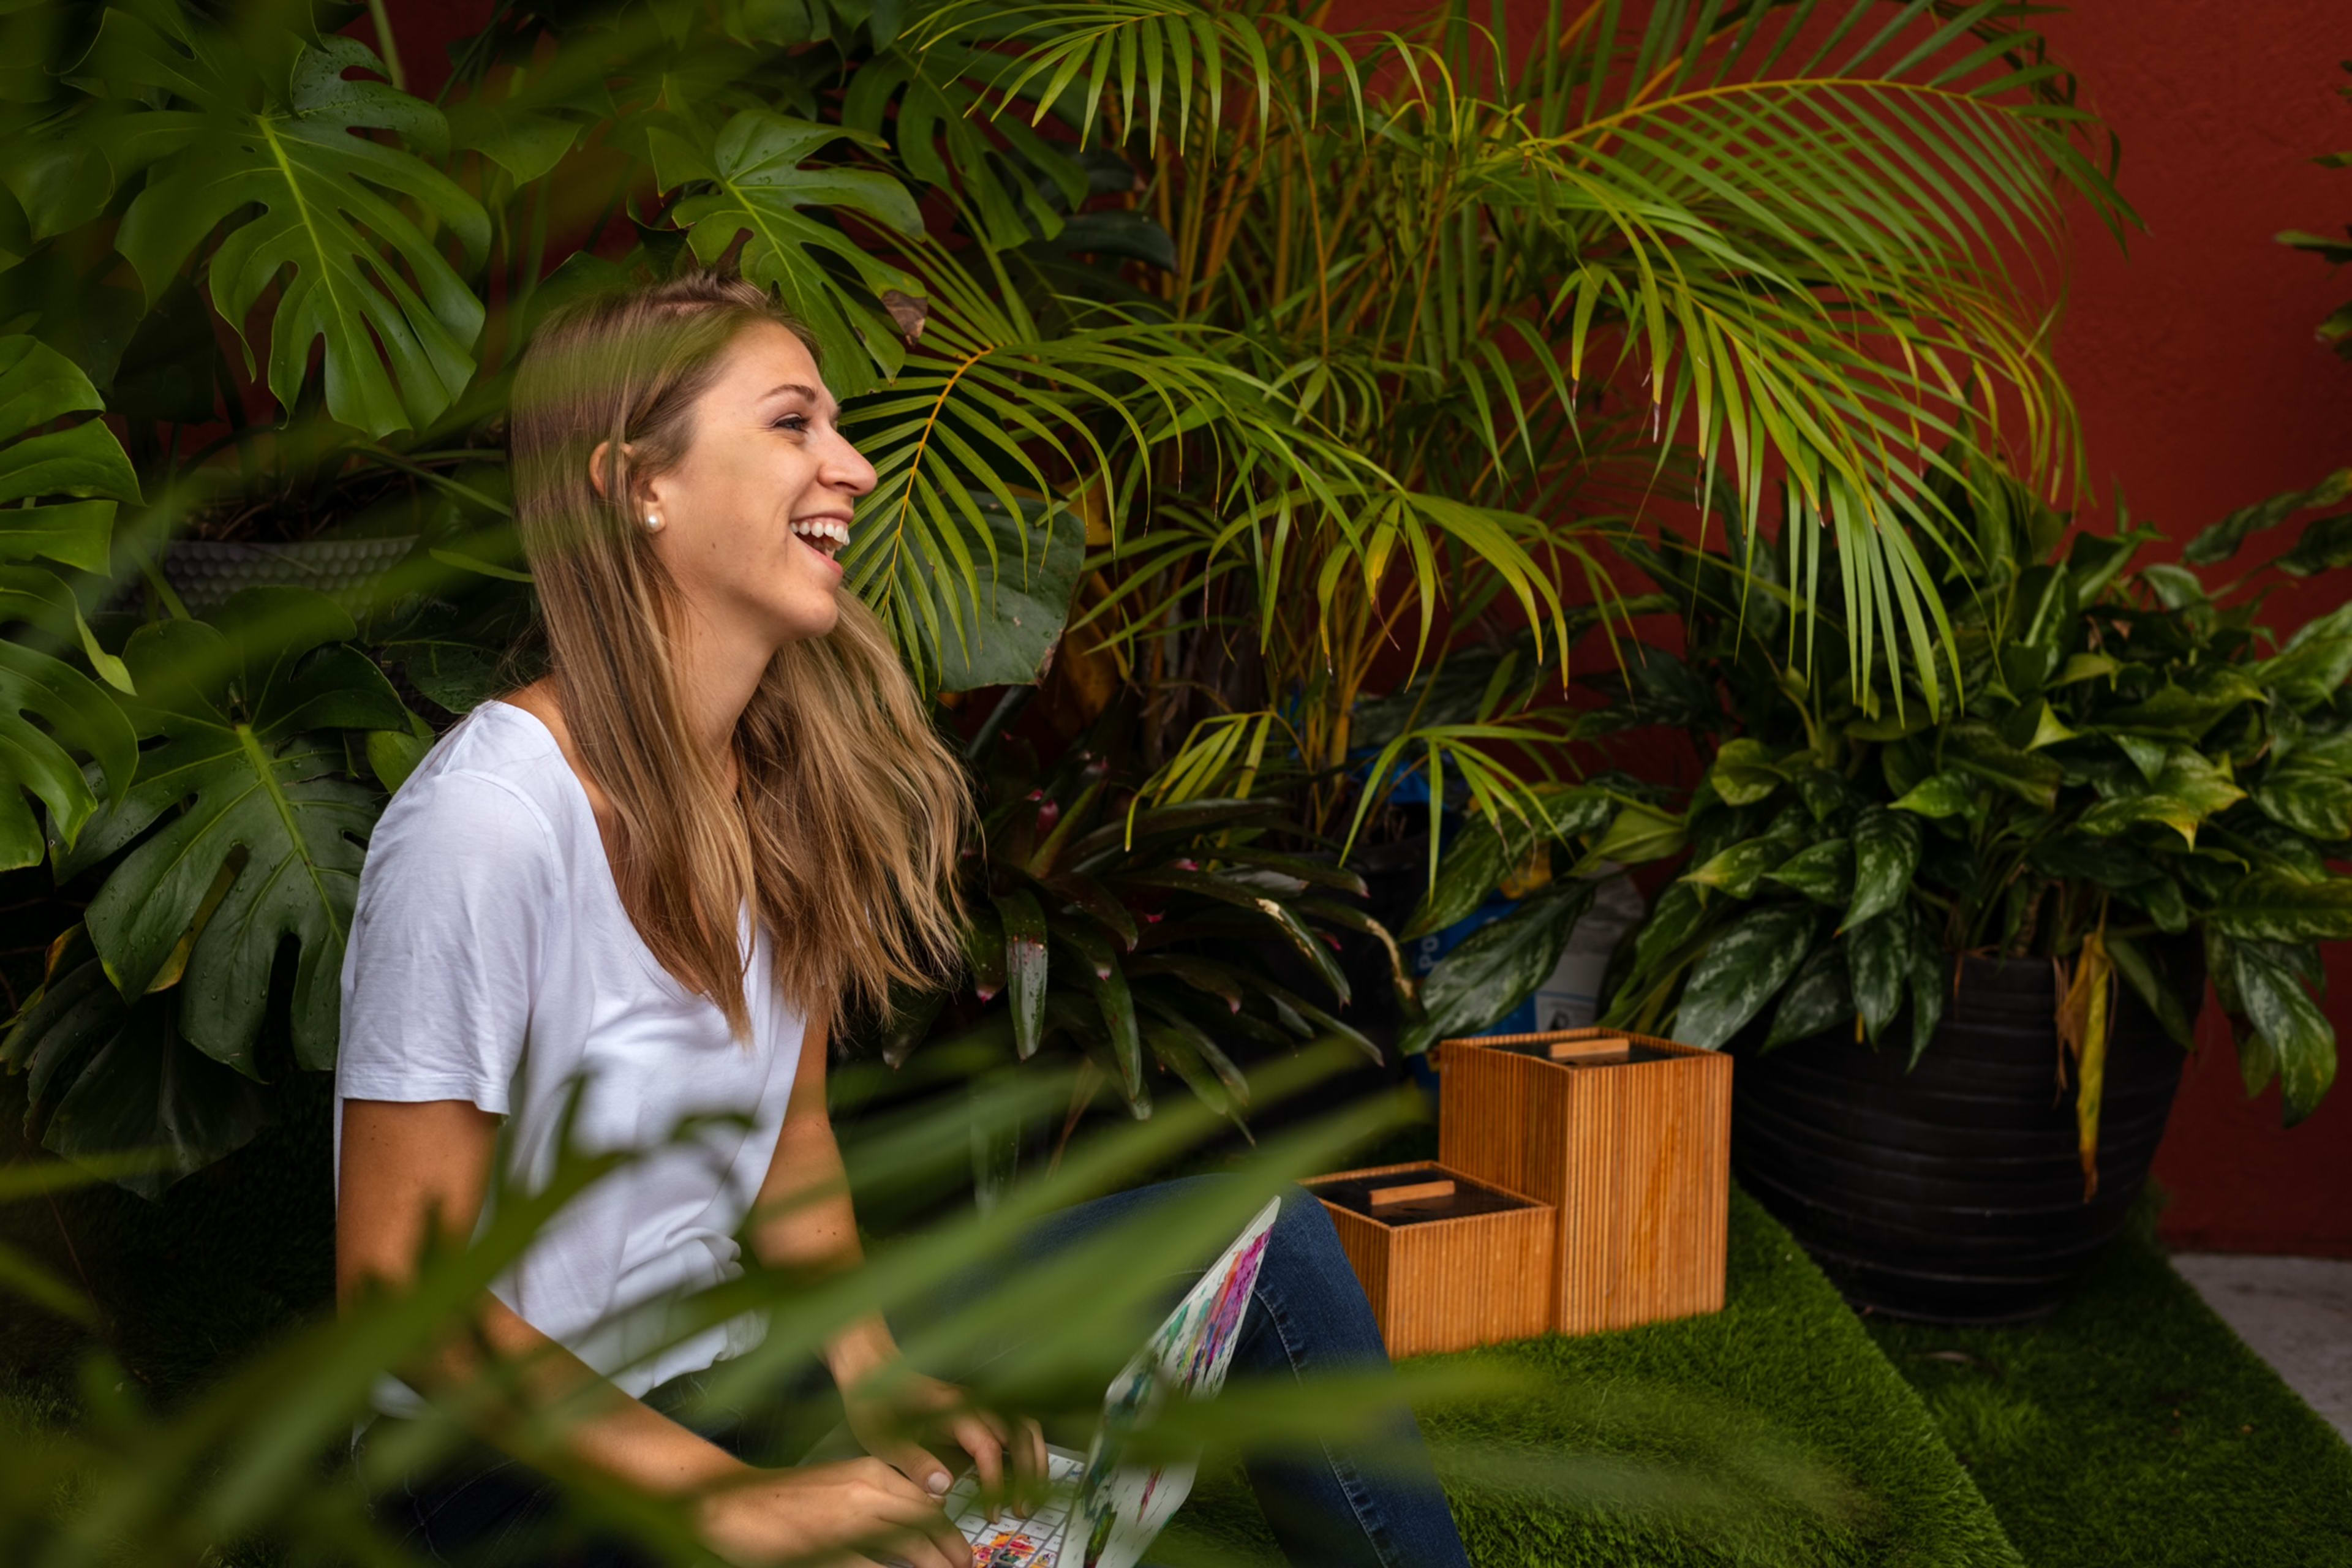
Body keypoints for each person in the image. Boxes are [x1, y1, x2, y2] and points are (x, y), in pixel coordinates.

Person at [334, 268, 1474, 1568]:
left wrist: (871, 1371)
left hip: (731, 1363)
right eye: (792, 425)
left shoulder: (770, 785)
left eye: (837, 425)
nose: (858, 467)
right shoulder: (489, 820)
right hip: (492, 1475)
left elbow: (793, 1135)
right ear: (636, 484)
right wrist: (734, 1497)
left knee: (1274, 1237)